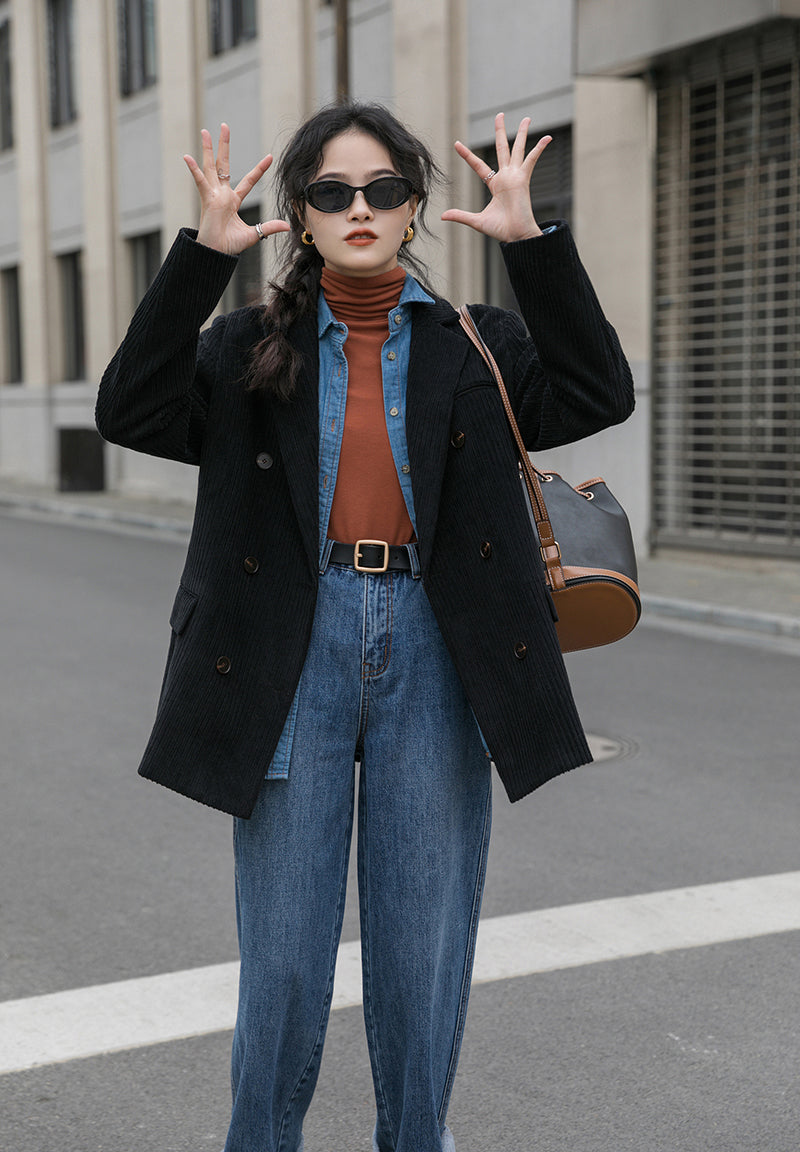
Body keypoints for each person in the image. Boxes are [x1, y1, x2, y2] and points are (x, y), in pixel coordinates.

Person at [96, 101, 634, 1152]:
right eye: (332, 192)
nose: (359, 208)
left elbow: (594, 388)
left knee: (419, 954)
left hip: (438, 647)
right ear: (298, 213)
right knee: (287, 957)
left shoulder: (478, 343)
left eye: (383, 190)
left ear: (414, 207)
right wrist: (201, 260)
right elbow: (130, 409)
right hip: (291, 651)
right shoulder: (249, 343)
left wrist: (532, 243)